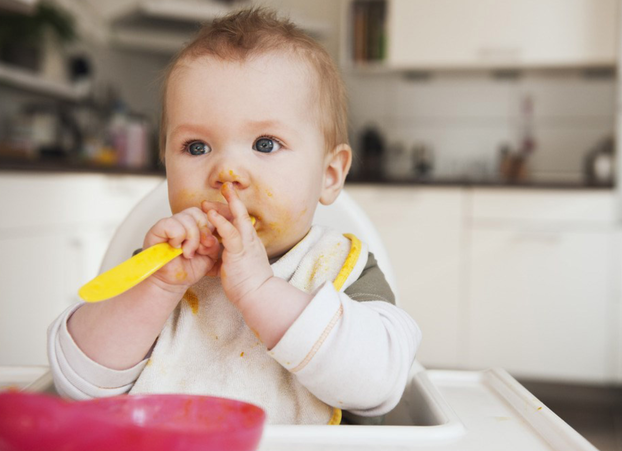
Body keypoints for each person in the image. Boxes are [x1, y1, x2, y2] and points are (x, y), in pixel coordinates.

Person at [47, 7, 421, 425]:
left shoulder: (341, 268)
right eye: (196, 147)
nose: (226, 172)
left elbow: (383, 382)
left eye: (265, 144)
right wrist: (154, 290)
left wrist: (260, 290)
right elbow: (76, 384)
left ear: (329, 175)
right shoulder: (159, 271)